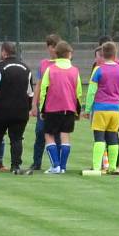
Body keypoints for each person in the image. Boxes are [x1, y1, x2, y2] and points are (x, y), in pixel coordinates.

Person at [0, 41, 34, 175]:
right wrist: (27, 108)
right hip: (20, 111)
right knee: (17, 138)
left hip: (2, 110)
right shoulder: (26, 68)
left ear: (4, 52)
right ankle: (15, 166)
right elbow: (30, 93)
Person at [84, 41, 119, 174]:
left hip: (100, 109)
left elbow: (92, 91)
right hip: (115, 110)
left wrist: (87, 109)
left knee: (99, 138)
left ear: (103, 54)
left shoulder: (98, 70)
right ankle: (113, 167)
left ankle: (97, 167)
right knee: (113, 138)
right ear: (115, 54)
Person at [38, 40, 82, 174]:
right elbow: (78, 92)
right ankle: (62, 167)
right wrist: (78, 110)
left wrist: (41, 108)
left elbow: (44, 90)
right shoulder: (75, 71)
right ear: (69, 54)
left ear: (56, 54)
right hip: (69, 108)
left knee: (49, 136)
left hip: (52, 108)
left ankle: (55, 165)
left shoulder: (50, 70)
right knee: (65, 136)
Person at [30, 34, 62, 171]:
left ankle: (57, 162)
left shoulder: (63, 64)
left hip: (58, 105)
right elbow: (38, 84)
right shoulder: (44, 64)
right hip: (44, 104)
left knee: (57, 134)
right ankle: (36, 162)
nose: (56, 50)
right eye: (54, 47)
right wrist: (33, 104)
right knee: (40, 133)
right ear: (49, 48)